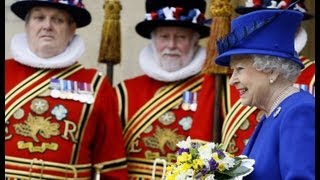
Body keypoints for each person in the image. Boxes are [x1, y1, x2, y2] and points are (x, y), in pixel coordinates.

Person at [5, 0, 128, 179]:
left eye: (58, 20)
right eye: (39, 18)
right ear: (27, 26)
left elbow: (111, 166)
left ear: (72, 30)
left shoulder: (96, 86)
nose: (47, 26)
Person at [113, 0, 219, 178]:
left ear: (195, 41)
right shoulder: (125, 91)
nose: (171, 45)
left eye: (181, 37)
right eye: (164, 37)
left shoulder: (214, 91)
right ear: (153, 40)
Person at [214, 9, 315, 179]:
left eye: (239, 69)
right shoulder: (274, 113)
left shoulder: (299, 112)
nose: (232, 81)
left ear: (272, 70)